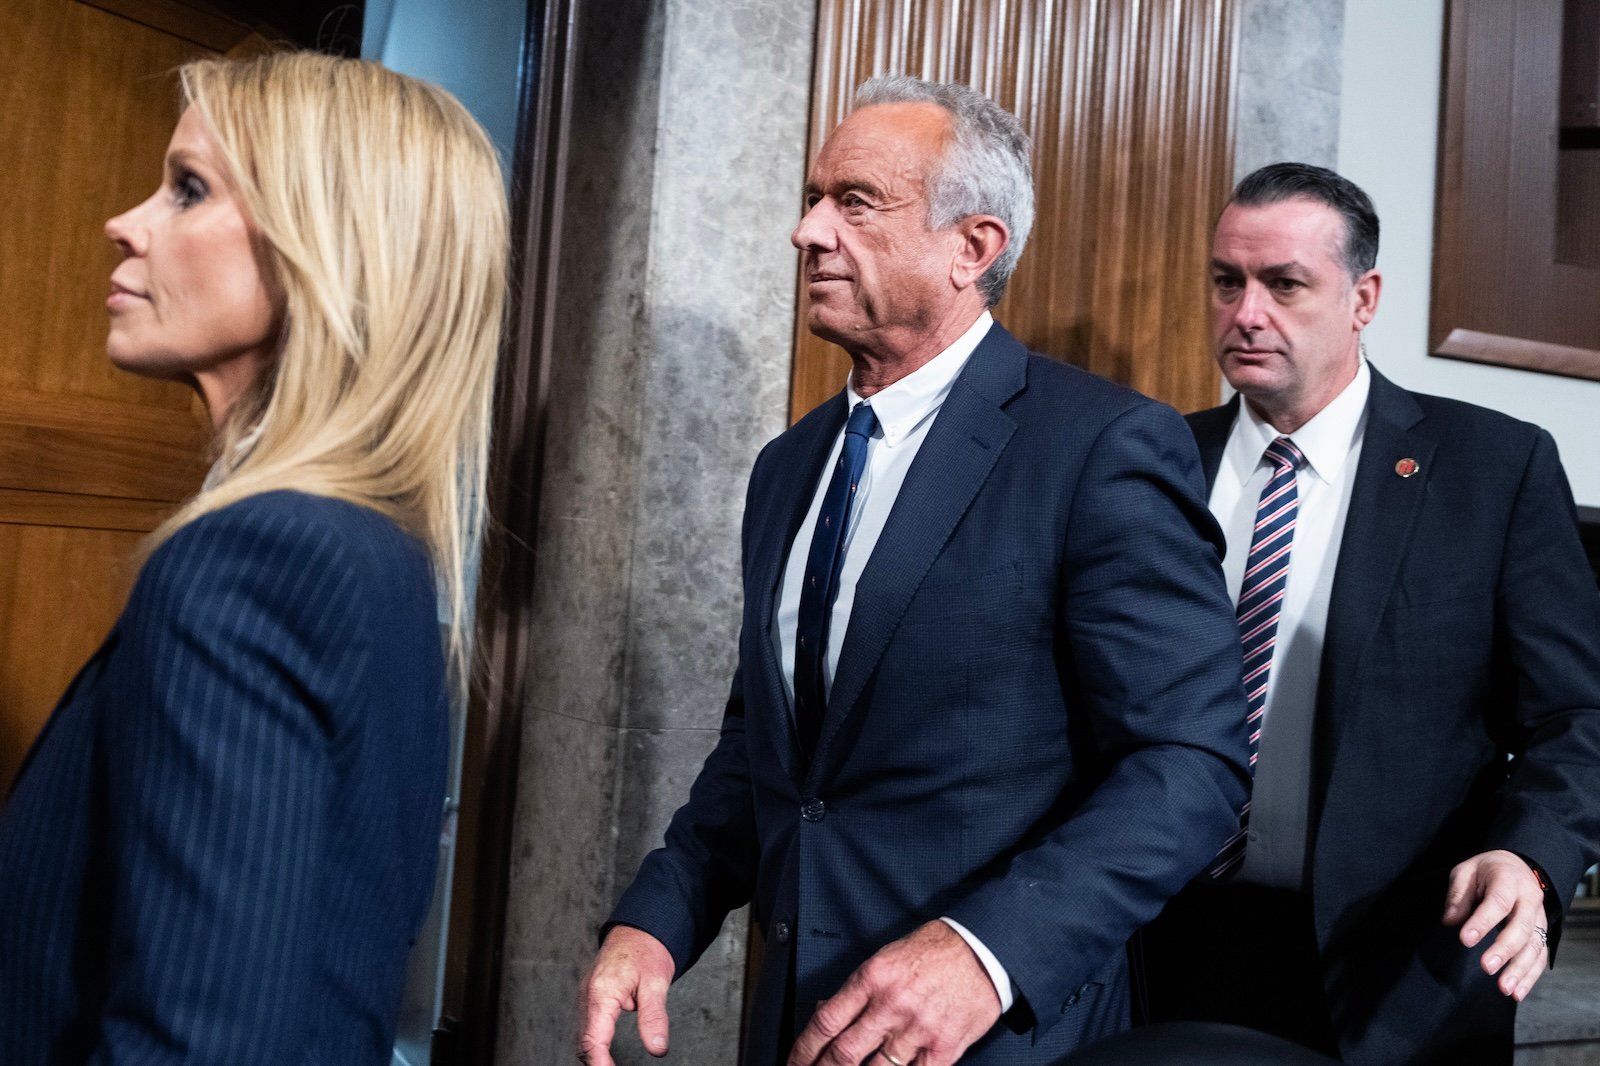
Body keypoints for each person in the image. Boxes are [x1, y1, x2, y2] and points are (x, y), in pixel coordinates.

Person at [577, 74, 1252, 1066]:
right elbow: (763, 754)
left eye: (853, 202)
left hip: (995, 1042)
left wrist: (986, 955)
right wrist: (658, 917)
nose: (807, 232)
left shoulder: (1100, 447)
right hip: (792, 1029)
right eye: (812, 200)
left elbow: (1189, 765)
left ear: (971, 248)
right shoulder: (788, 467)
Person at [0, 52, 507, 1065]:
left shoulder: (250, 558)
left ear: (325, 246)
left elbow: (202, 1042)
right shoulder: (374, 554)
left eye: (188, 188)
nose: (126, 222)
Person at [1138, 162, 1600, 1065]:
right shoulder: (1149, 461)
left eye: (1285, 284)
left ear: (1363, 298)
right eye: (1228, 281)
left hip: (1395, 973)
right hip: (1161, 950)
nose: (1247, 312)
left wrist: (1532, 857)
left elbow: (1576, 716)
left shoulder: (1491, 470)